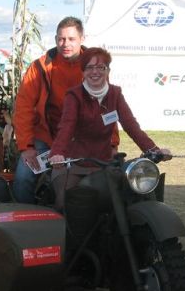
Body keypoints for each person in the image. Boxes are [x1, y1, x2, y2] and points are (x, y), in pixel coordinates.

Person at [48, 47, 171, 210]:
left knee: (126, 196)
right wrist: (57, 153)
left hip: (105, 163)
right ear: (83, 72)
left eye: (101, 67)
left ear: (108, 70)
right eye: (90, 67)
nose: (95, 72)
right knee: (66, 201)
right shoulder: (74, 95)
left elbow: (131, 125)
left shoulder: (115, 94)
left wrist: (154, 150)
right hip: (76, 163)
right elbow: (66, 126)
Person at [12, 16, 118, 204]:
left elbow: (107, 109)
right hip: (46, 137)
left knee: (105, 180)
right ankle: (26, 225)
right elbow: (23, 108)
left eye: (71, 39)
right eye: (61, 39)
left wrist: (112, 144)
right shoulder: (40, 67)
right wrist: (27, 147)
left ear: (82, 39)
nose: (65, 44)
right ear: (55, 40)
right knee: (23, 177)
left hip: (82, 140)